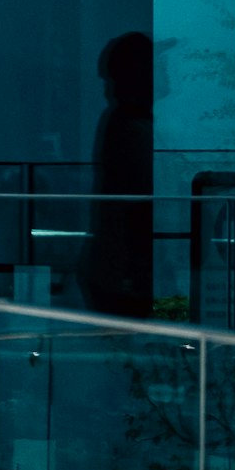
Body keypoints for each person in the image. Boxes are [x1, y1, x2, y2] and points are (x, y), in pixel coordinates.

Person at [82, 32, 157, 319]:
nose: (164, 73)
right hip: (127, 276)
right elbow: (139, 204)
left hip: (125, 272)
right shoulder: (132, 128)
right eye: (155, 66)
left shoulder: (131, 124)